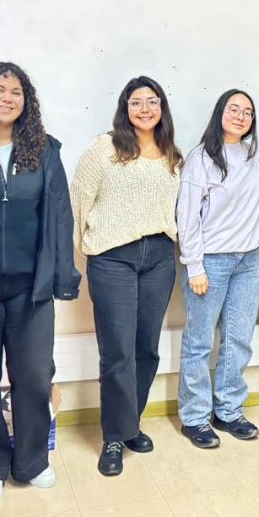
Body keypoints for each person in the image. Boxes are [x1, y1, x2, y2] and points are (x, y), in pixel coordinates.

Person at [0, 62, 81, 501]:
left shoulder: (46, 150)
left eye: (16, 92)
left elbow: (60, 216)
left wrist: (63, 278)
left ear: (26, 101)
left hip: (32, 289)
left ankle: (32, 460)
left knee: (33, 376)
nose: (8, 98)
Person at [70, 76, 182, 475]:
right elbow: (80, 200)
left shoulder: (172, 154)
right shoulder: (105, 148)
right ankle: (114, 437)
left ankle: (130, 422)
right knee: (117, 349)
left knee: (146, 347)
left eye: (153, 101)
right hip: (113, 257)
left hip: (159, 257)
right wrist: (89, 248)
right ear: (125, 107)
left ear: (162, 108)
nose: (146, 108)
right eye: (137, 102)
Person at [176, 88, 259, 449]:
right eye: (234, 109)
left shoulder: (251, 155)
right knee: (199, 341)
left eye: (247, 112)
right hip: (210, 261)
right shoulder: (201, 157)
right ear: (220, 113)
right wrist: (194, 265)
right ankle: (195, 417)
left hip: (249, 260)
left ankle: (228, 410)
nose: (241, 116)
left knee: (238, 339)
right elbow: (187, 215)